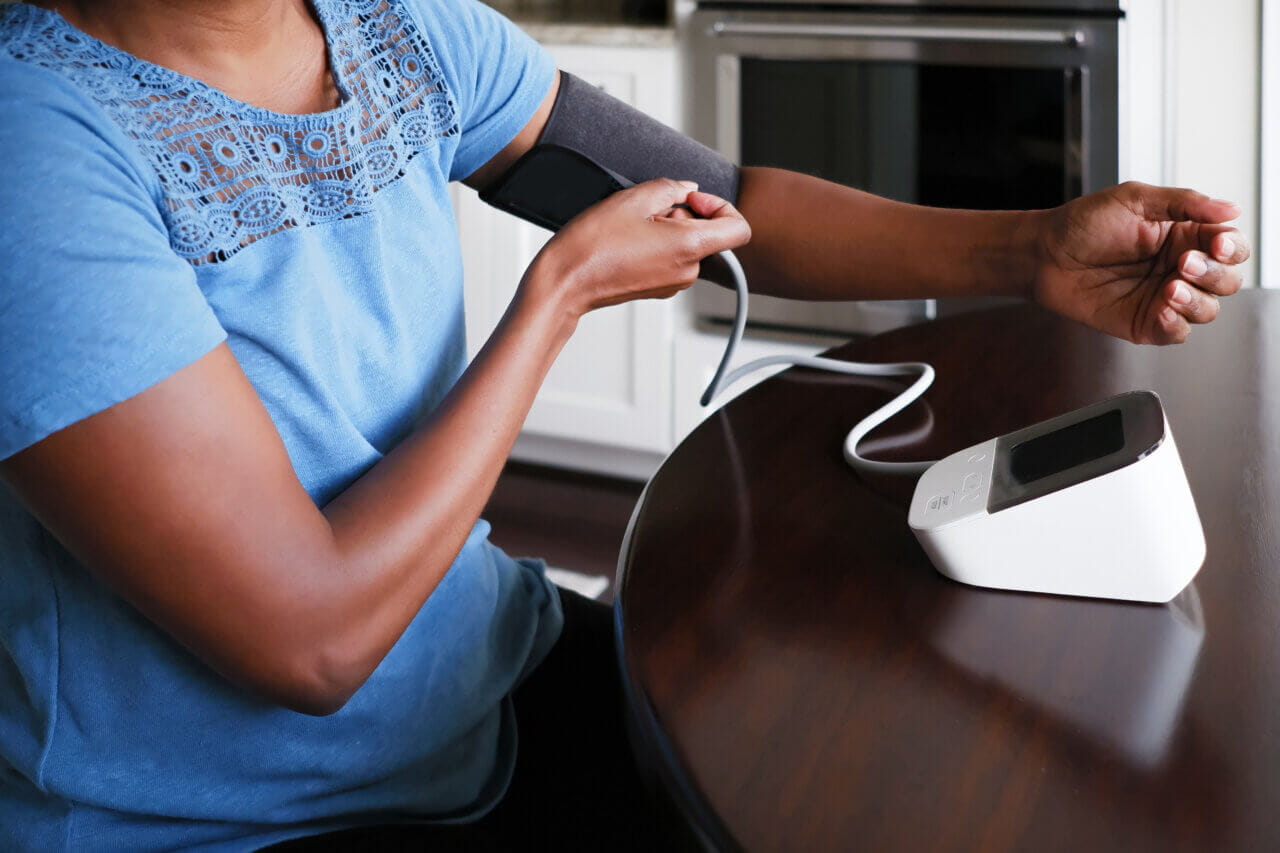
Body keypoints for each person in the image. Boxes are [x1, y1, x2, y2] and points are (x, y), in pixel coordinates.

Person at [0, 0, 1249, 849]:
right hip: (230, 819)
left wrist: (1028, 246)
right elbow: (309, 639)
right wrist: (556, 300)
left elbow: (726, 204)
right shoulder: (36, 143)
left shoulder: (401, 33)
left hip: (485, 682)